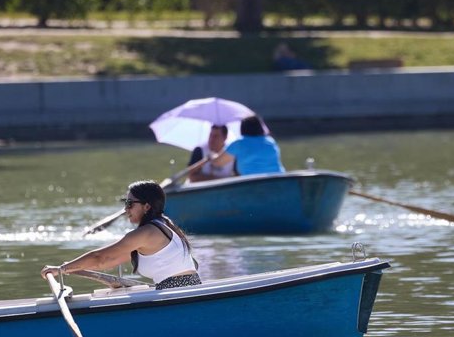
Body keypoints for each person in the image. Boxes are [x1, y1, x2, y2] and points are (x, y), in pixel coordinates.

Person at [41, 180, 201, 290]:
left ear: (146, 206)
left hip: (175, 294)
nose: (126, 209)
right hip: (191, 288)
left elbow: (100, 258)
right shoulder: (167, 225)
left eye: (130, 204)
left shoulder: (145, 233)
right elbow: (109, 261)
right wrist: (71, 268)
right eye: (125, 203)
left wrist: (61, 269)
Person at [210, 115, 285, 176]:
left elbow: (218, 163)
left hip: (252, 184)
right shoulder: (270, 141)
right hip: (278, 180)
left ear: (242, 128)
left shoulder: (239, 144)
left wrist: (212, 156)